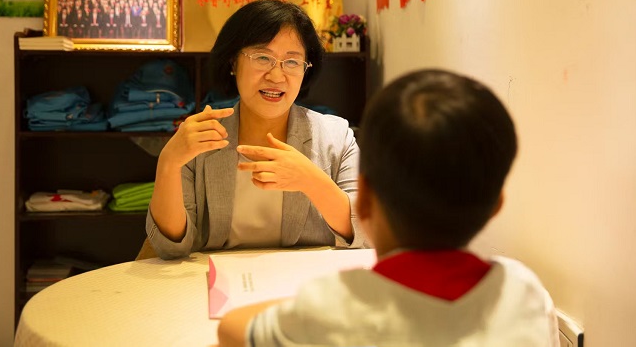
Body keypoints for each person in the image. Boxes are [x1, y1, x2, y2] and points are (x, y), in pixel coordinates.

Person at [217, 69, 560, 347]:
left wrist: (304, 307)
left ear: (364, 200)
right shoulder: (526, 293)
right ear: (496, 206)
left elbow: (232, 328)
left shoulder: (336, 305)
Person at [146, 0, 368, 259]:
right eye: (263, 57)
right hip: (215, 280)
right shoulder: (200, 139)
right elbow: (171, 246)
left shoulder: (337, 137)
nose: (276, 76)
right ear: (233, 63)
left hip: (303, 281)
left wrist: (310, 180)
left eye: (292, 62)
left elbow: (366, 234)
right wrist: (168, 162)